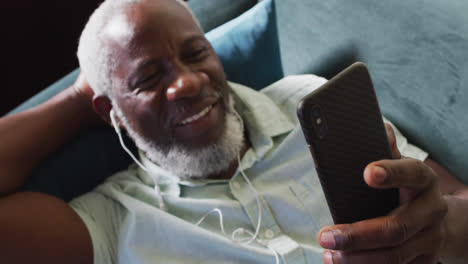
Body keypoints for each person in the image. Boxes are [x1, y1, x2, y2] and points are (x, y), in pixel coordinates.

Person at [0, 0, 467, 263]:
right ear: (110, 111)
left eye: (196, 53)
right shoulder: (111, 220)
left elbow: (455, 205)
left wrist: (438, 232)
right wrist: (80, 99)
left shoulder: (310, 102)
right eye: (148, 78)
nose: (186, 81)